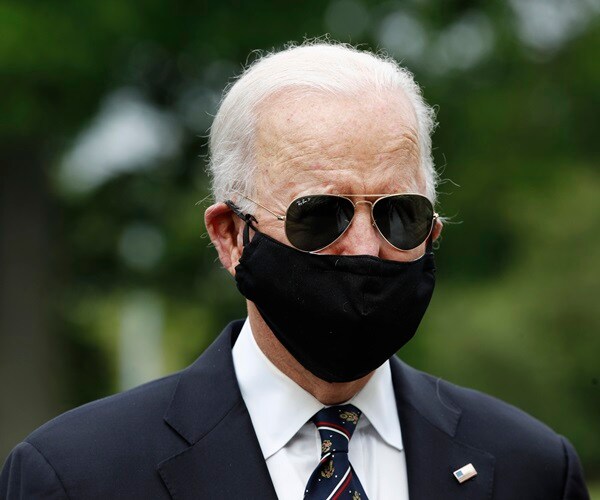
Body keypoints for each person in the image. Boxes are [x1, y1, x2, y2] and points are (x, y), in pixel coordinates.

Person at [0, 42, 590, 500]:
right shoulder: (78, 477)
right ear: (231, 236)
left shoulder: (531, 469)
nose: (365, 248)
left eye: (399, 215)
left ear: (432, 231)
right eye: (321, 215)